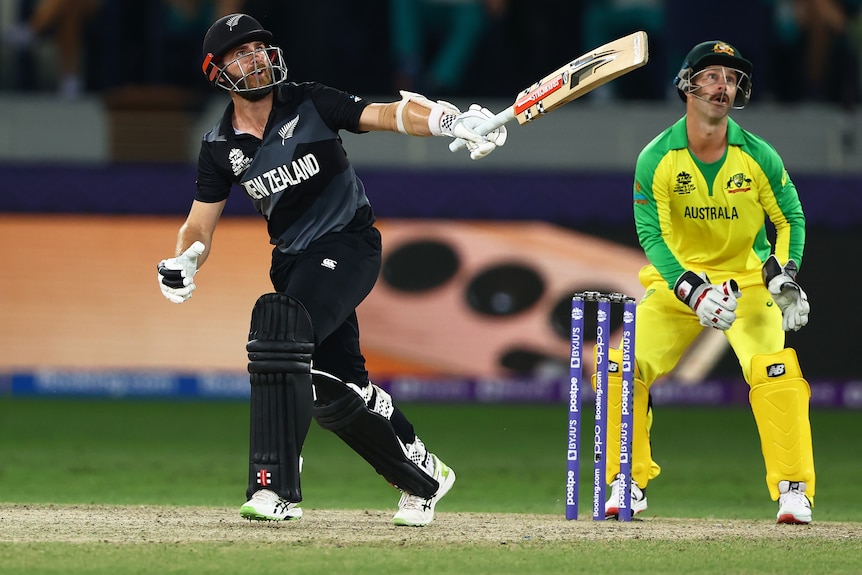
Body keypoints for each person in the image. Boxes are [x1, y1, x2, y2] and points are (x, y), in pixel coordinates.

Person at [155, 13, 505, 526]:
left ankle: (273, 486)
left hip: (349, 243)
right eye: (241, 53)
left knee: (281, 331)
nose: (256, 59)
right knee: (335, 388)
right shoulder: (218, 147)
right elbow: (198, 225)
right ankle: (422, 478)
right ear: (217, 70)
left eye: (260, 48)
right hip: (294, 263)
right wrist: (185, 258)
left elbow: (385, 114)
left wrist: (449, 121)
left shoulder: (309, 101)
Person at [602, 41, 814, 524]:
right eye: (713, 75)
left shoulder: (759, 156)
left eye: (732, 78)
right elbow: (650, 234)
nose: (724, 86)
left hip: (748, 286)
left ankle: (793, 490)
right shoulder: (655, 157)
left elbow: (791, 219)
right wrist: (690, 289)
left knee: (775, 369)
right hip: (678, 287)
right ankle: (625, 481)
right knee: (618, 367)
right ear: (687, 84)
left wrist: (784, 273)